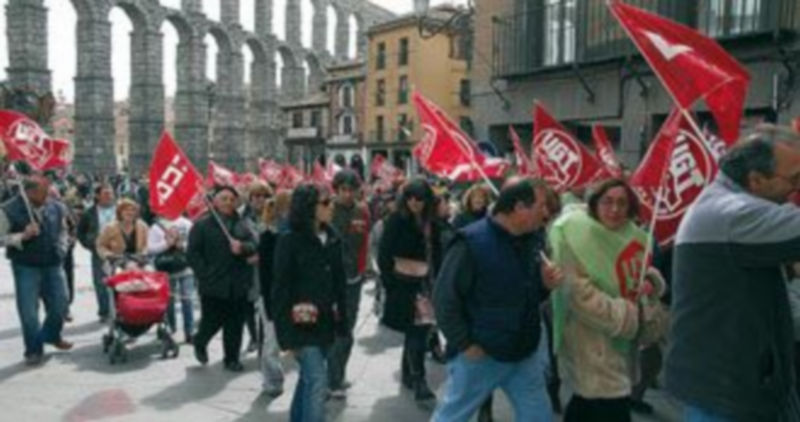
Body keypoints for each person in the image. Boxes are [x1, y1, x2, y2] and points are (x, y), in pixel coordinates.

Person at [666, 126, 800, 421]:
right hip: (726, 392)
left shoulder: (727, 205)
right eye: (794, 179)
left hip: (733, 382)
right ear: (756, 180)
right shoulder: (733, 213)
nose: (797, 188)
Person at [431, 177, 562, 422]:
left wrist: (544, 285)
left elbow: (528, 293)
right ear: (520, 207)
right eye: (541, 206)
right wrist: (465, 344)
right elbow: (444, 298)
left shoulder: (533, 240)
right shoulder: (470, 242)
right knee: (452, 416)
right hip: (481, 354)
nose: (546, 213)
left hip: (524, 352)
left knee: (539, 416)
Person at [549, 179, 668, 422]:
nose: (615, 209)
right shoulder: (575, 233)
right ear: (594, 203)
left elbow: (640, 271)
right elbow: (577, 294)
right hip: (591, 339)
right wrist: (628, 315)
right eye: (608, 201)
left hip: (623, 344)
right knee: (607, 405)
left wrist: (651, 281)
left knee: (589, 405)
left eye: (622, 203)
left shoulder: (635, 236)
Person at [272, 183, 347, 422]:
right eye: (325, 203)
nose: (331, 207)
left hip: (326, 322)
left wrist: (342, 320)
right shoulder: (289, 240)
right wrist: (285, 335)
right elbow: (280, 290)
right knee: (317, 380)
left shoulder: (333, 237)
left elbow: (339, 284)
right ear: (308, 207)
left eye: (331, 201)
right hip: (300, 324)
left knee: (307, 379)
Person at [378, 178, 442, 402]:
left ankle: (409, 372)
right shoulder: (396, 220)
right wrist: (390, 284)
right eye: (411, 198)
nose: (415, 202)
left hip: (427, 284)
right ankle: (419, 379)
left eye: (420, 198)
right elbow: (384, 254)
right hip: (404, 285)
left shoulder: (432, 222)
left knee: (419, 331)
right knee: (416, 331)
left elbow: (439, 251)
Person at [0, 175, 73, 365]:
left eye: (48, 192)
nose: (47, 196)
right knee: (29, 311)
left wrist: (63, 246)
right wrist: (23, 235)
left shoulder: (56, 206)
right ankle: (33, 349)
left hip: (53, 261)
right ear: (30, 192)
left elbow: (64, 230)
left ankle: (51, 335)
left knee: (61, 303)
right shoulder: (9, 209)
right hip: (26, 265)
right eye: (43, 193)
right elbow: (1, 238)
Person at [188, 186, 257, 372]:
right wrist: (204, 274)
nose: (228, 202)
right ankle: (200, 341)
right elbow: (193, 253)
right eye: (223, 198)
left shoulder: (243, 223)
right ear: (214, 201)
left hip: (238, 282)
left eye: (231, 199)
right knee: (212, 321)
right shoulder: (202, 225)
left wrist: (242, 247)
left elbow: (255, 244)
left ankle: (231, 358)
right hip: (213, 285)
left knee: (235, 323)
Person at [327, 170, 371, 398]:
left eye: (350, 189)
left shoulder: (362, 211)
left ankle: (338, 374)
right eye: (342, 189)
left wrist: (367, 269)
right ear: (336, 190)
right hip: (331, 279)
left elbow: (366, 241)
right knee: (336, 330)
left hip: (354, 278)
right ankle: (331, 380)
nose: (347, 194)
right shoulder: (327, 210)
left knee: (348, 330)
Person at [148, 213, 195, 344]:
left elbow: (195, 244)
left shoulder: (187, 224)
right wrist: (167, 244)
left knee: (188, 299)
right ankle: (170, 329)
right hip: (166, 268)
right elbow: (150, 248)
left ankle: (189, 331)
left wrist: (183, 245)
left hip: (186, 267)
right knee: (168, 300)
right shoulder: (156, 227)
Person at [257, 194, 285, 398]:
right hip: (271, 297)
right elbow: (265, 275)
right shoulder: (268, 237)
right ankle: (272, 380)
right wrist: (268, 303)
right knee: (271, 342)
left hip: (289, 295)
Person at [77, 183, 117, 321]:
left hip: (120, 249)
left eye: (111, 193)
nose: (109, 196)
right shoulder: (89, 213)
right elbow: (80, 232)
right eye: (106, 194)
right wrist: (90, 245)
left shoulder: (120, 210)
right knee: (101, 282)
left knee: (120, 280)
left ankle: (120, 309)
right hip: (100, 251)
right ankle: (104, 311)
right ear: (98, 196)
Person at [241, 182, 273, 354]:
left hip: (267, 269)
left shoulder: (274, 216)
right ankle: (253, 336)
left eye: (264, 196)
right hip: (248, 270)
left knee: (264, 306)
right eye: (256, 196)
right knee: (248, 305)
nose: (260, 200)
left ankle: (262, 343)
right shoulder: (242, 218)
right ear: (250, 198)